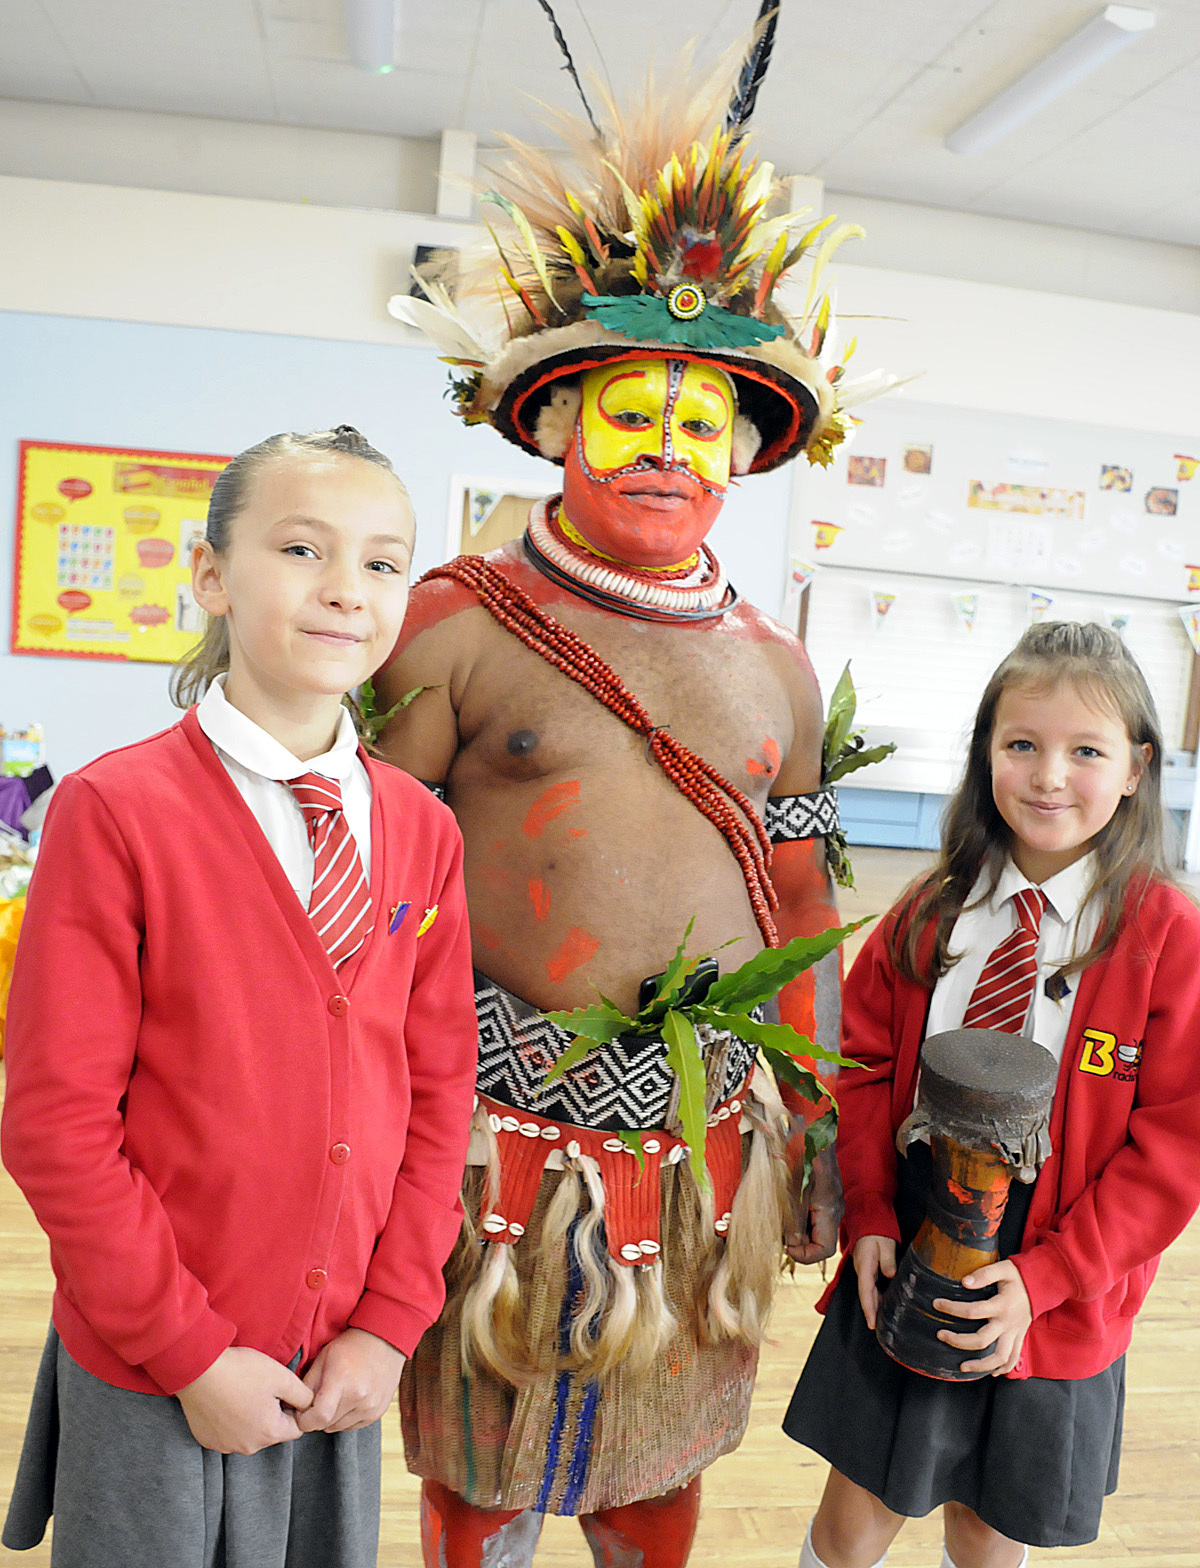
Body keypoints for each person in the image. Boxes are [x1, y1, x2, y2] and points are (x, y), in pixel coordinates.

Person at [377, 11, 896, 1563]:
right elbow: (376, 889)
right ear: (549, 417)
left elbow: (801, 897)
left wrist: (809, 1122)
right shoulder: (454, 626)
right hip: (487, 1130)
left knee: (661, 1453)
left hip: (708, 1147)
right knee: (481, 1457)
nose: (666, 446)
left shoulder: (783, 673)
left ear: (743, 448)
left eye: (699, 419)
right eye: (630, 410)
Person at [0, 426, 478, 1568]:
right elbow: (55, 1123)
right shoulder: (119, 812)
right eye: (302, 548)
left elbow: (439, 1093)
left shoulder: (421, 829)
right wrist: (190, 1353)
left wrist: (389, 1324)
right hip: (157, 1359)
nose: (345, 591)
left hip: (336, 1371)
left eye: (381, 561)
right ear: (211, 575)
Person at [784, 621, 1200, 1568]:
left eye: (1085, 751)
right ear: (985, 756)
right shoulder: (934, 911)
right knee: (857, 1514)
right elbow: (858, 1069)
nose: (1050, 776)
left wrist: (1046, 1282)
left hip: (1064, 1278)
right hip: (912, 1246)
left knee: (988, 1527)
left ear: (1135, 768)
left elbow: (1176, 1151)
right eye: (1023, 745)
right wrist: (874, 1219)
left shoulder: (1169, 939)